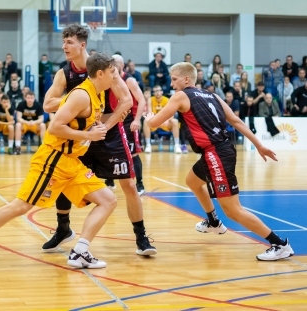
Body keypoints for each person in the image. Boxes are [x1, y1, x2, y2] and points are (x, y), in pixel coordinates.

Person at [0, 53, 118, 272]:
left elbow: (82, 124)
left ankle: (80, 252)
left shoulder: (99, 94)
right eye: (113, 71)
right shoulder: (82, 95)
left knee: (108, 200)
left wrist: (96, 128)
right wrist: (89, 136)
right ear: (101, 73)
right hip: (53, 160)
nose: (117, 75)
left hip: (72, 162)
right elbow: (55, 127)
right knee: (20, 206)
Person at [144, 61, 293, 261]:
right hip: (220, 150)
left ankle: (279, 244)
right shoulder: (212, 95)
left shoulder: (180, 96)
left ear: (186, 79)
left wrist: (148, 117)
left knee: (233, 210)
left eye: (174, 79)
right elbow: (236, 121)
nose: (171, 84)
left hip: (216, 154)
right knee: (192, 181)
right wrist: (259, 144)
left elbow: (153, 123)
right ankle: (213, 221)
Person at [41, 26, 153, 256]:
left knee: (129, 185)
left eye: (69, 42)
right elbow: (47, 104)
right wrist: (74, 101)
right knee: (64, 179)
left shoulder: (102, 66)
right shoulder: (64, 74)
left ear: (82, 45)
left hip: (108, 134)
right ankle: (63, 229)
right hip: (80, 137)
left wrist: (105, 126)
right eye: (63, 42)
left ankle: (141, 237)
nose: (64, 47)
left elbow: (126, 100)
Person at [111, 55, 148, 195]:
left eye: (115, 64)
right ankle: (109, 180)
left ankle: (140, 184)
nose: (112, 66)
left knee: (132, 154)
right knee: (111, 151)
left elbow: (142, 100)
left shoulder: (129, 80)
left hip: (129, 121)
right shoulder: (110, 80)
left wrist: (137, 120)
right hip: (115, 120)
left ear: (121, 66)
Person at [143, 85, 181, 154]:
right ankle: (148, 145)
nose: (157, 93)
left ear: (162, 92)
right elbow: (150, 114)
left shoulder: (167, 100)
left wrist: (165, 120)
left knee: (175, 121)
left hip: (165, 123)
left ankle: (177, 145)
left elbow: (171, 114)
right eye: (155, 91)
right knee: (146, 121)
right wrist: (159, 121)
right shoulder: (150, 100)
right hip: (154, 123)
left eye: (158, 91)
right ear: (153, 93)